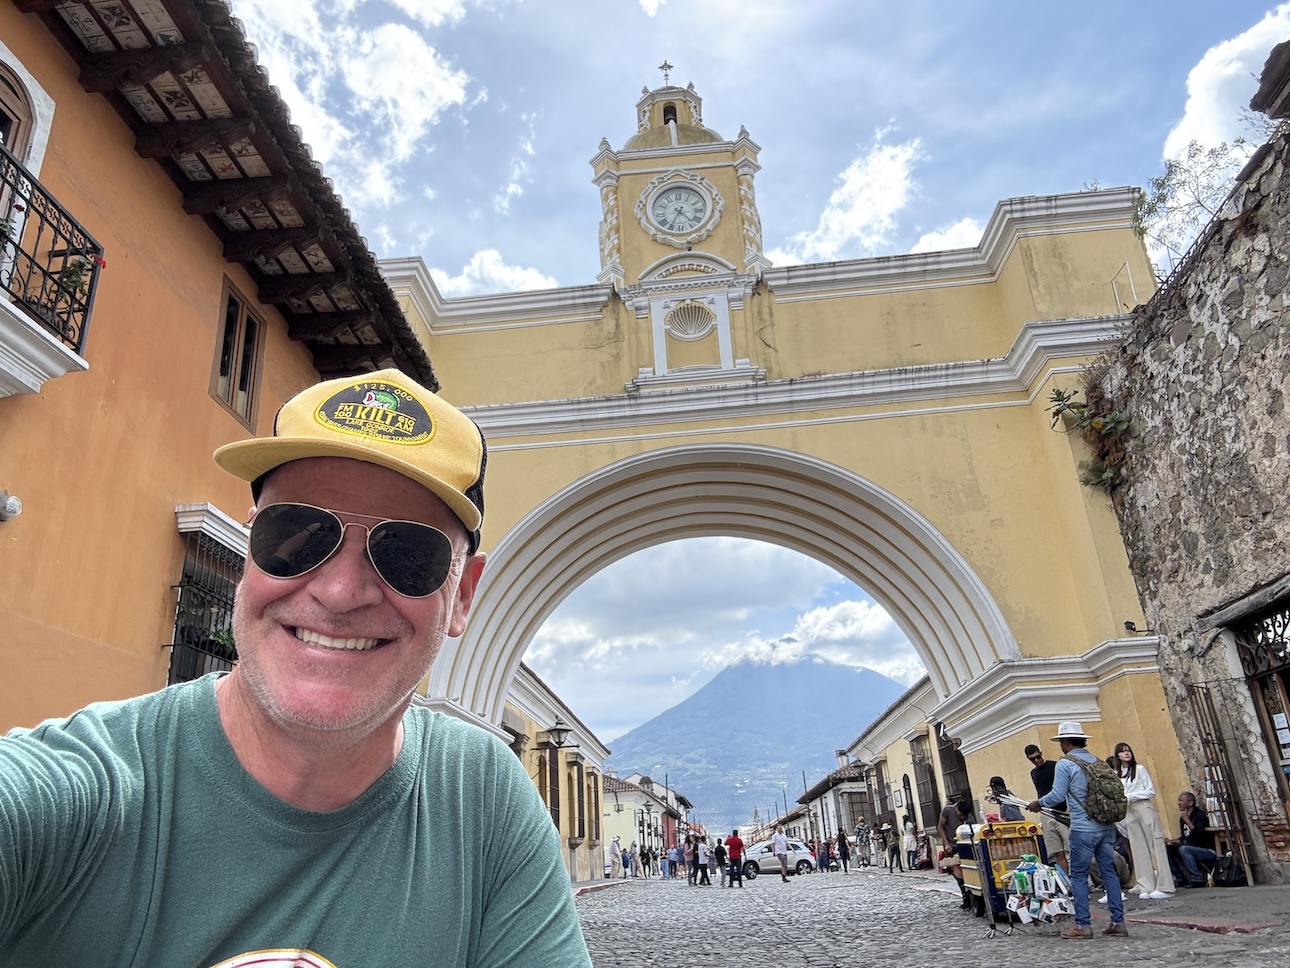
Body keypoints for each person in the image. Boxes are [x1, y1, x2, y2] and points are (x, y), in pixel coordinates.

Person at [0, 369, 591, 966]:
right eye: (298, 534)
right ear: (248, 547)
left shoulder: (481, 798)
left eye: (407, 553)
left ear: (462, 594)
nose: (340, 591)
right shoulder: (82, 794)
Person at [1025, 721, 1129, 940]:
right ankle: (1118, 922)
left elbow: (1057, 796)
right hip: (1106, 827)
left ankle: (1083, 925)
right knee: (1109, 872)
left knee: (1079, 875)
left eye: (1061, 741)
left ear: (1065, 742)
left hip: (1083, 828)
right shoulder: (1097, 761)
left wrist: (1038, 803)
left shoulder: (1066, 764)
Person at [1114, 742, 1175, 899]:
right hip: (1129, 810)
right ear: (1118, 755)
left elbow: (1150, 790)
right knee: (1138, 846)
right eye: (1122, 752)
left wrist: (1132, 796)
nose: (1126, 754)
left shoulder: (1139, 770)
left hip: (1142, 806)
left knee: (1155, 843)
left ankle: (1165, 885)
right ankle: (1145, 884)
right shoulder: (1118, 774)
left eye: (1128, 751)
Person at [1026, 743, 1071, 872]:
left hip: (1062, 811)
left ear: (1041, 753)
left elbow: (1061, 790)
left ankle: (1085, 882)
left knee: (1071, 849)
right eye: (1032, 759)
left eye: (1037, 757)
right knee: (1057, 851)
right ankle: (1066, 883)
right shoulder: (1033, 773)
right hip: (1046, 813)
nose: (1036, 761)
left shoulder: (1054, 766)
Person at [1165, 791, 1217, 888]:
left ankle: (1197, 878)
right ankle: (1180, 878)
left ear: (1190, 803)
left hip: (1206, 851)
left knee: (1184, 849)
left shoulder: (1200, 816)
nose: (1178, 803)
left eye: (1181, 800)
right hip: (1190, 849)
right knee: (1168, 848)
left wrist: (1187, 821)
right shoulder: (1182, 819)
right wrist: (1171, 841)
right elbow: (1185, 837)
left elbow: (1199, 835)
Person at [937, 797, 974, 909]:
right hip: (951, 846)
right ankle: (965, 897)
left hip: (964, 846)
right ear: (957, 809)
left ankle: (969, 897)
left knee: (968, 872)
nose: (962, 817)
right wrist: (946, 843)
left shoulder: (969, 818)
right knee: (957, 873)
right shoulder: (947, 811)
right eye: (960, 815)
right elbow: (940, 827)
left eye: (964, 816)